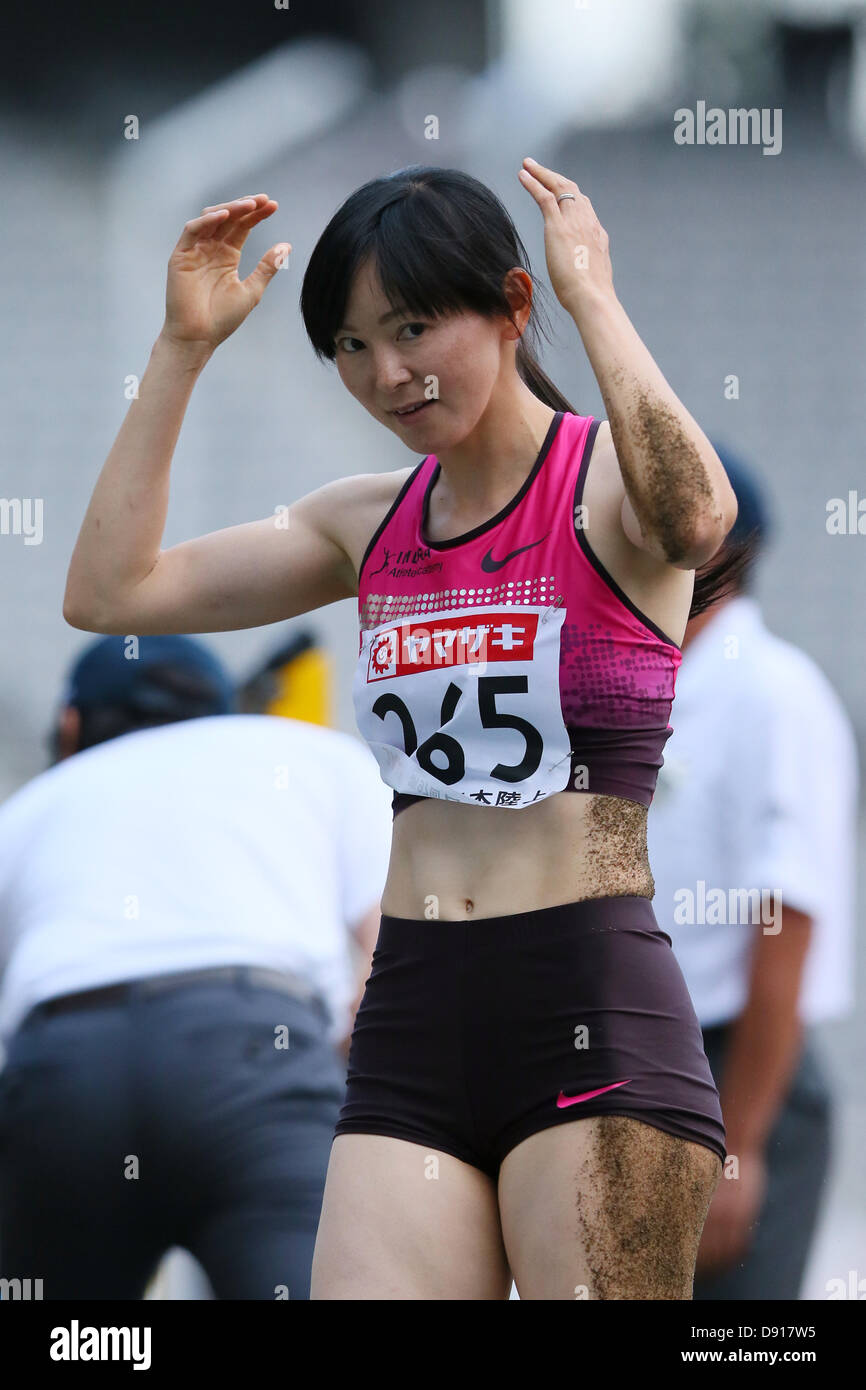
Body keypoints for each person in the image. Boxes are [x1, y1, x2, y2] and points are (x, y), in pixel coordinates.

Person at [63, 162, 749, 1300]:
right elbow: (109, 593)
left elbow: (695, 517)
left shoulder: (603, 491)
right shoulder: (362, 521)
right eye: (348, 344)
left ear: (510, 303)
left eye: (414, 327)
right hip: (413, 1017)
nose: (386, 373)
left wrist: (593, 298)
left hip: (586, 1000)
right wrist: (180, 350)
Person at [0, 634, 392, 1299]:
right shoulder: (312, 756)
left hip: (64, 1070)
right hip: (253, 1058)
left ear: (70, 725)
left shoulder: (27, 809)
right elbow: (398, 957)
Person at [645, 449, 858, 1300]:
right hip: (645, 1068)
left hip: (734, 1075)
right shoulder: (646, 685)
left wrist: (741, 1147)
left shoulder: (773, 694)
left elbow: (787, 919)